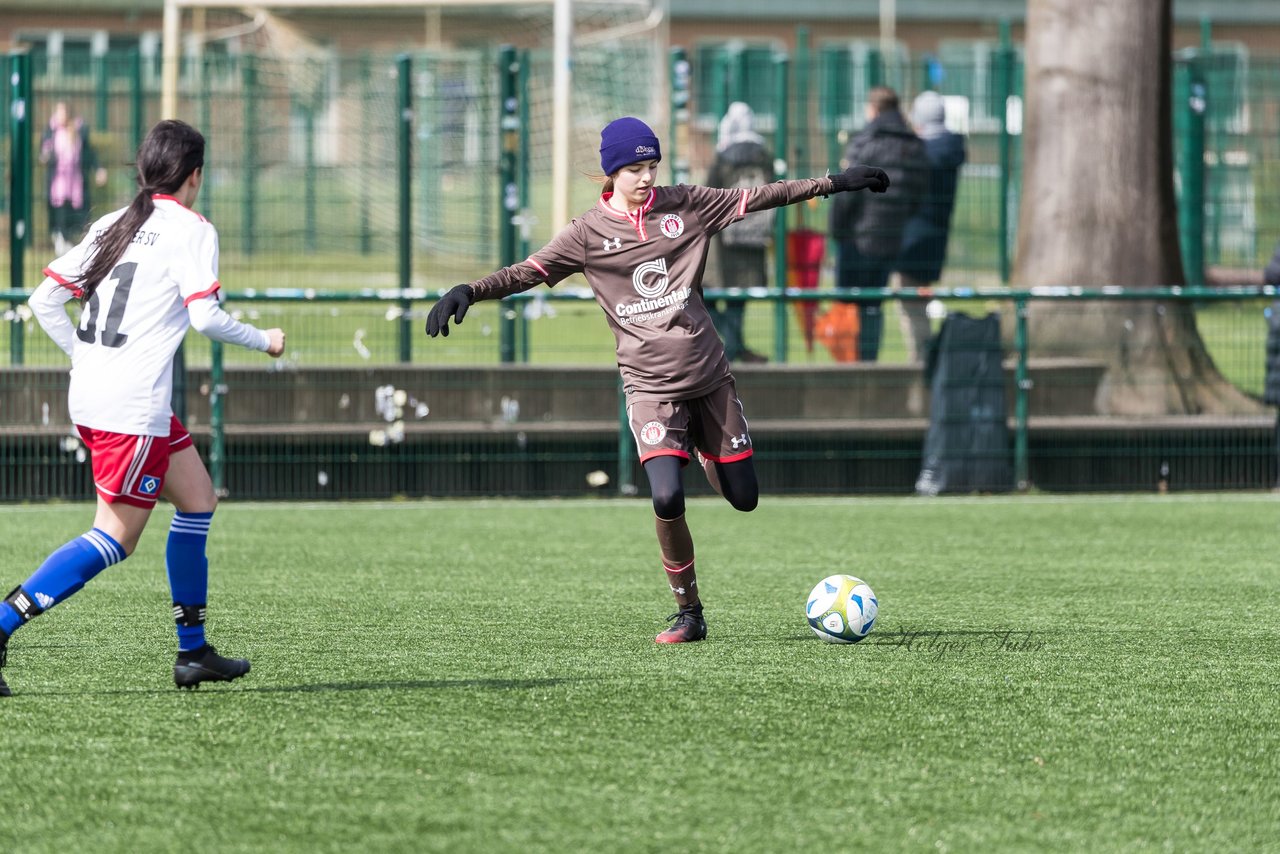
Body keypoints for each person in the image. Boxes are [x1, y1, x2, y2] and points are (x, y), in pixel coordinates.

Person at [425, 116, 888, 643]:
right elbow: (524, 273)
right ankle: (690, 614)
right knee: (666, 497)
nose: (646, 177)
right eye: (634, 168)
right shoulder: (587, 234)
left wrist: (832, 183)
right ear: (611, 171)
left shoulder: (686, 204)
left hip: (710, 378)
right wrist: (469, 289)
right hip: (650, 389)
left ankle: (707, 450)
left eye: (651, 166)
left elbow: (761, 195)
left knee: (744, 498)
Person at [0, 120, 287, 697]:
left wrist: (84, 358)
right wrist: (264, 339)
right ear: (194, 176)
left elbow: (43, 299)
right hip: (129, 406)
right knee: (114, 537)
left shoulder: (113, 221)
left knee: (199, 499)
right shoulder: (191, 228)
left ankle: (193, 652)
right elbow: (205, 317)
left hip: (109, 397)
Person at [829, 86, 928, 362]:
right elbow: (919, 195)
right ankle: (869, 361)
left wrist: (837, 230)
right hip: (891, 237)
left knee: (850, 305)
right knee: (874, 306)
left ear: (873, 110)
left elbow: (847, 192)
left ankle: (849, 363)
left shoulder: (866, 142)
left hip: (857, 238)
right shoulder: (914, 147)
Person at [896, 90, 967, 363]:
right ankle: (926, 354)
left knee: (911, 306)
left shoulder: (918, 154)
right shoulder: (951, 150)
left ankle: (922, 359)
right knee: (919, 302)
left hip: (910, 241)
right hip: (936, 238)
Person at [705, 102, 773, 364]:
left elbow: (708, 195)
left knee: (707, 292)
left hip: (724, 237)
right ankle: (736, 346)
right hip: (756, 233)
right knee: (740, 295)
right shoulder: (764, 156)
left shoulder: (723, 157)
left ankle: (731, 348)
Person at [41, 102, 108, 256]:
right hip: (57, 182)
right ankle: (61, 239)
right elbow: (44, 151)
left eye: (63, 112)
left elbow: (89, 153)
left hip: (76, 181)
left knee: (80, 214)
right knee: (60, 211)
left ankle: (72, 241)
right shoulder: (50, 131)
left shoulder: (80, 131)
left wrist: (98, 169)